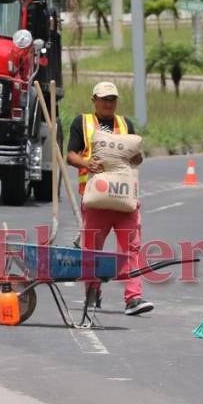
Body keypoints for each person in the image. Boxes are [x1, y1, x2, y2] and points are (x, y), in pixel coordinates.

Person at [66, 82, 153, 316]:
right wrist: (86, 163)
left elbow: (135, 157)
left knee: (131, 247)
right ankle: (92, 292)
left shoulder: (125, 125)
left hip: (124, 198)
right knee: (92, 249)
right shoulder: (82, 123)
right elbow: (71, 155)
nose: (108, 103)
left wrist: (137, 159)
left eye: (112, 99)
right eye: (104, 99)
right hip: (96, 199)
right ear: (93, 100)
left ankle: (133, 298)